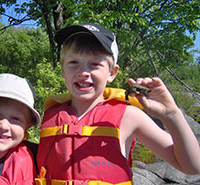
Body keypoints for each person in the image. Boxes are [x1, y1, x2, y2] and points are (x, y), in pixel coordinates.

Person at [36, 23, 200, 185]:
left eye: (95, 64)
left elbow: (192, 166)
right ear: (63, 70)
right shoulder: (50, 115)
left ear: (112, 73)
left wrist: (171, 114)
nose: (83, 72)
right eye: (73, 63)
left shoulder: (129, 116)